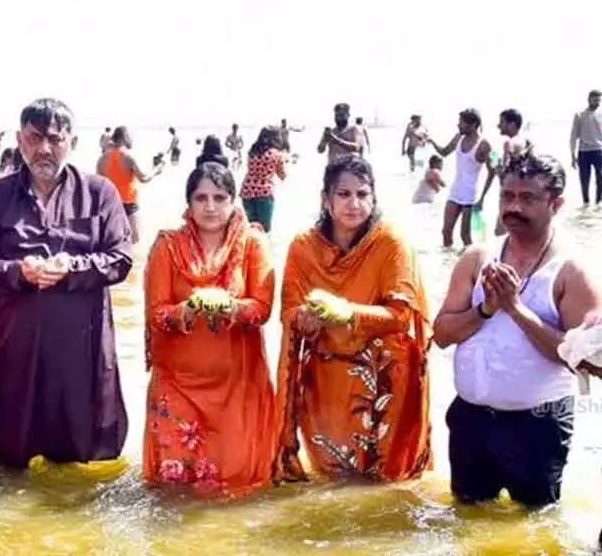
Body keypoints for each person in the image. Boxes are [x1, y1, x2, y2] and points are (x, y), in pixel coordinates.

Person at [0, 98, 132, 469]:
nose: (44, 148)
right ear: (19, 140)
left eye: (55, 139)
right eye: (34, 138)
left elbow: (120, 259)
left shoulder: (100, 192)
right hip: (14, 345)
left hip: (79, 345)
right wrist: (18, 272)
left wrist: (72, 267)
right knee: (8, 461)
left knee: (77, 463)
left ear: (72, 141)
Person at [433, 152, 598, 508]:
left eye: (528, 198)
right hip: (471, 419)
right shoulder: (477, 258)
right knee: (468, 520)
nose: (514, 207)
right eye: (507, 196)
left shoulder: (571, 271)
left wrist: (516, 308)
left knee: (534, 527)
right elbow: (442, 335)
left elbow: (586, 361)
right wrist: (486, 309)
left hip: (537, 426)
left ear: (556, 204)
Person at [274, 156, 431, 483]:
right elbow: (288, 312)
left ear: (374, 198)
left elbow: (402, 316)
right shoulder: (303, 248)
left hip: (386, 381)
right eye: (343, 194)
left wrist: (348, 312)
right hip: (327, 381)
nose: (354, 204)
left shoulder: (391, 243)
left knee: (387, 487)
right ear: (326, 200)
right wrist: (304, 317)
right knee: (335, 483)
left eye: (363, 194)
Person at [143, 163, 276, 497]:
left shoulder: (253, 245)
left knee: (233, 491)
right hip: (177, 385)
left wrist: (232, 307)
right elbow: (156, 313)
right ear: (189, 203)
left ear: (234, 200)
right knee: (175, 491)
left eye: (220, 197)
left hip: (237, 388)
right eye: (201, 198)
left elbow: (262, 309)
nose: (211, 206)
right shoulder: (168, 247)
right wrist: (185, 311)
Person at [432, 108, 495, 248]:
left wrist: (483, 198)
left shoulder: (484, 144)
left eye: (462, 123)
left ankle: (473, 264)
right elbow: (444, 152)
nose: (458, 125)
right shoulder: (458, 138)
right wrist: (431, 141)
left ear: (473, 125)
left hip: (471, 194)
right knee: (446, 232)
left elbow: (492, 171)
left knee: (464, 235)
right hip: (455, 191)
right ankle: (449, 265)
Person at [98, 125, 164, 243]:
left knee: (112, 241)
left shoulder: (102, 158)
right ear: (125, 137)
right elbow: (143, 178)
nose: (132, 140)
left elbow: (98, 185)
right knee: (134, 240)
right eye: (131, 137)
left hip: (110, 205)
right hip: (129, 204)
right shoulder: (128, 156)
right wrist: (156, 170)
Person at [239, 127, 288, 232]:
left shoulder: (252, 152)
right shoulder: (276, 154)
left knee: (252, 229)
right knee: (264, 230)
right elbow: (283, 175)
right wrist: (286, 161)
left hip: (247, 191)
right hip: (264, 192)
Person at [494, 109, 532, 236]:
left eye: (501, 122)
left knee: (500, 233)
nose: (498, 125)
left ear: (511, 124)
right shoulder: (526, 142)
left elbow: (505, 176)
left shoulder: (509, 143)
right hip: (524, 193)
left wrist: (498, 170)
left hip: (510, 194)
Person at [569, 89, 602, 205]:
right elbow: (573, 136)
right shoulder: (580, 115)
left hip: (599, 151)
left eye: (599, 99)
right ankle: (586, 203)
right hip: (584, 152)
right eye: (594, 99)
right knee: (584, 181)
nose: (597, 102)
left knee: (600, 179)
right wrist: (573, 156)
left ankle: (598, 203)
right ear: (589, 99)